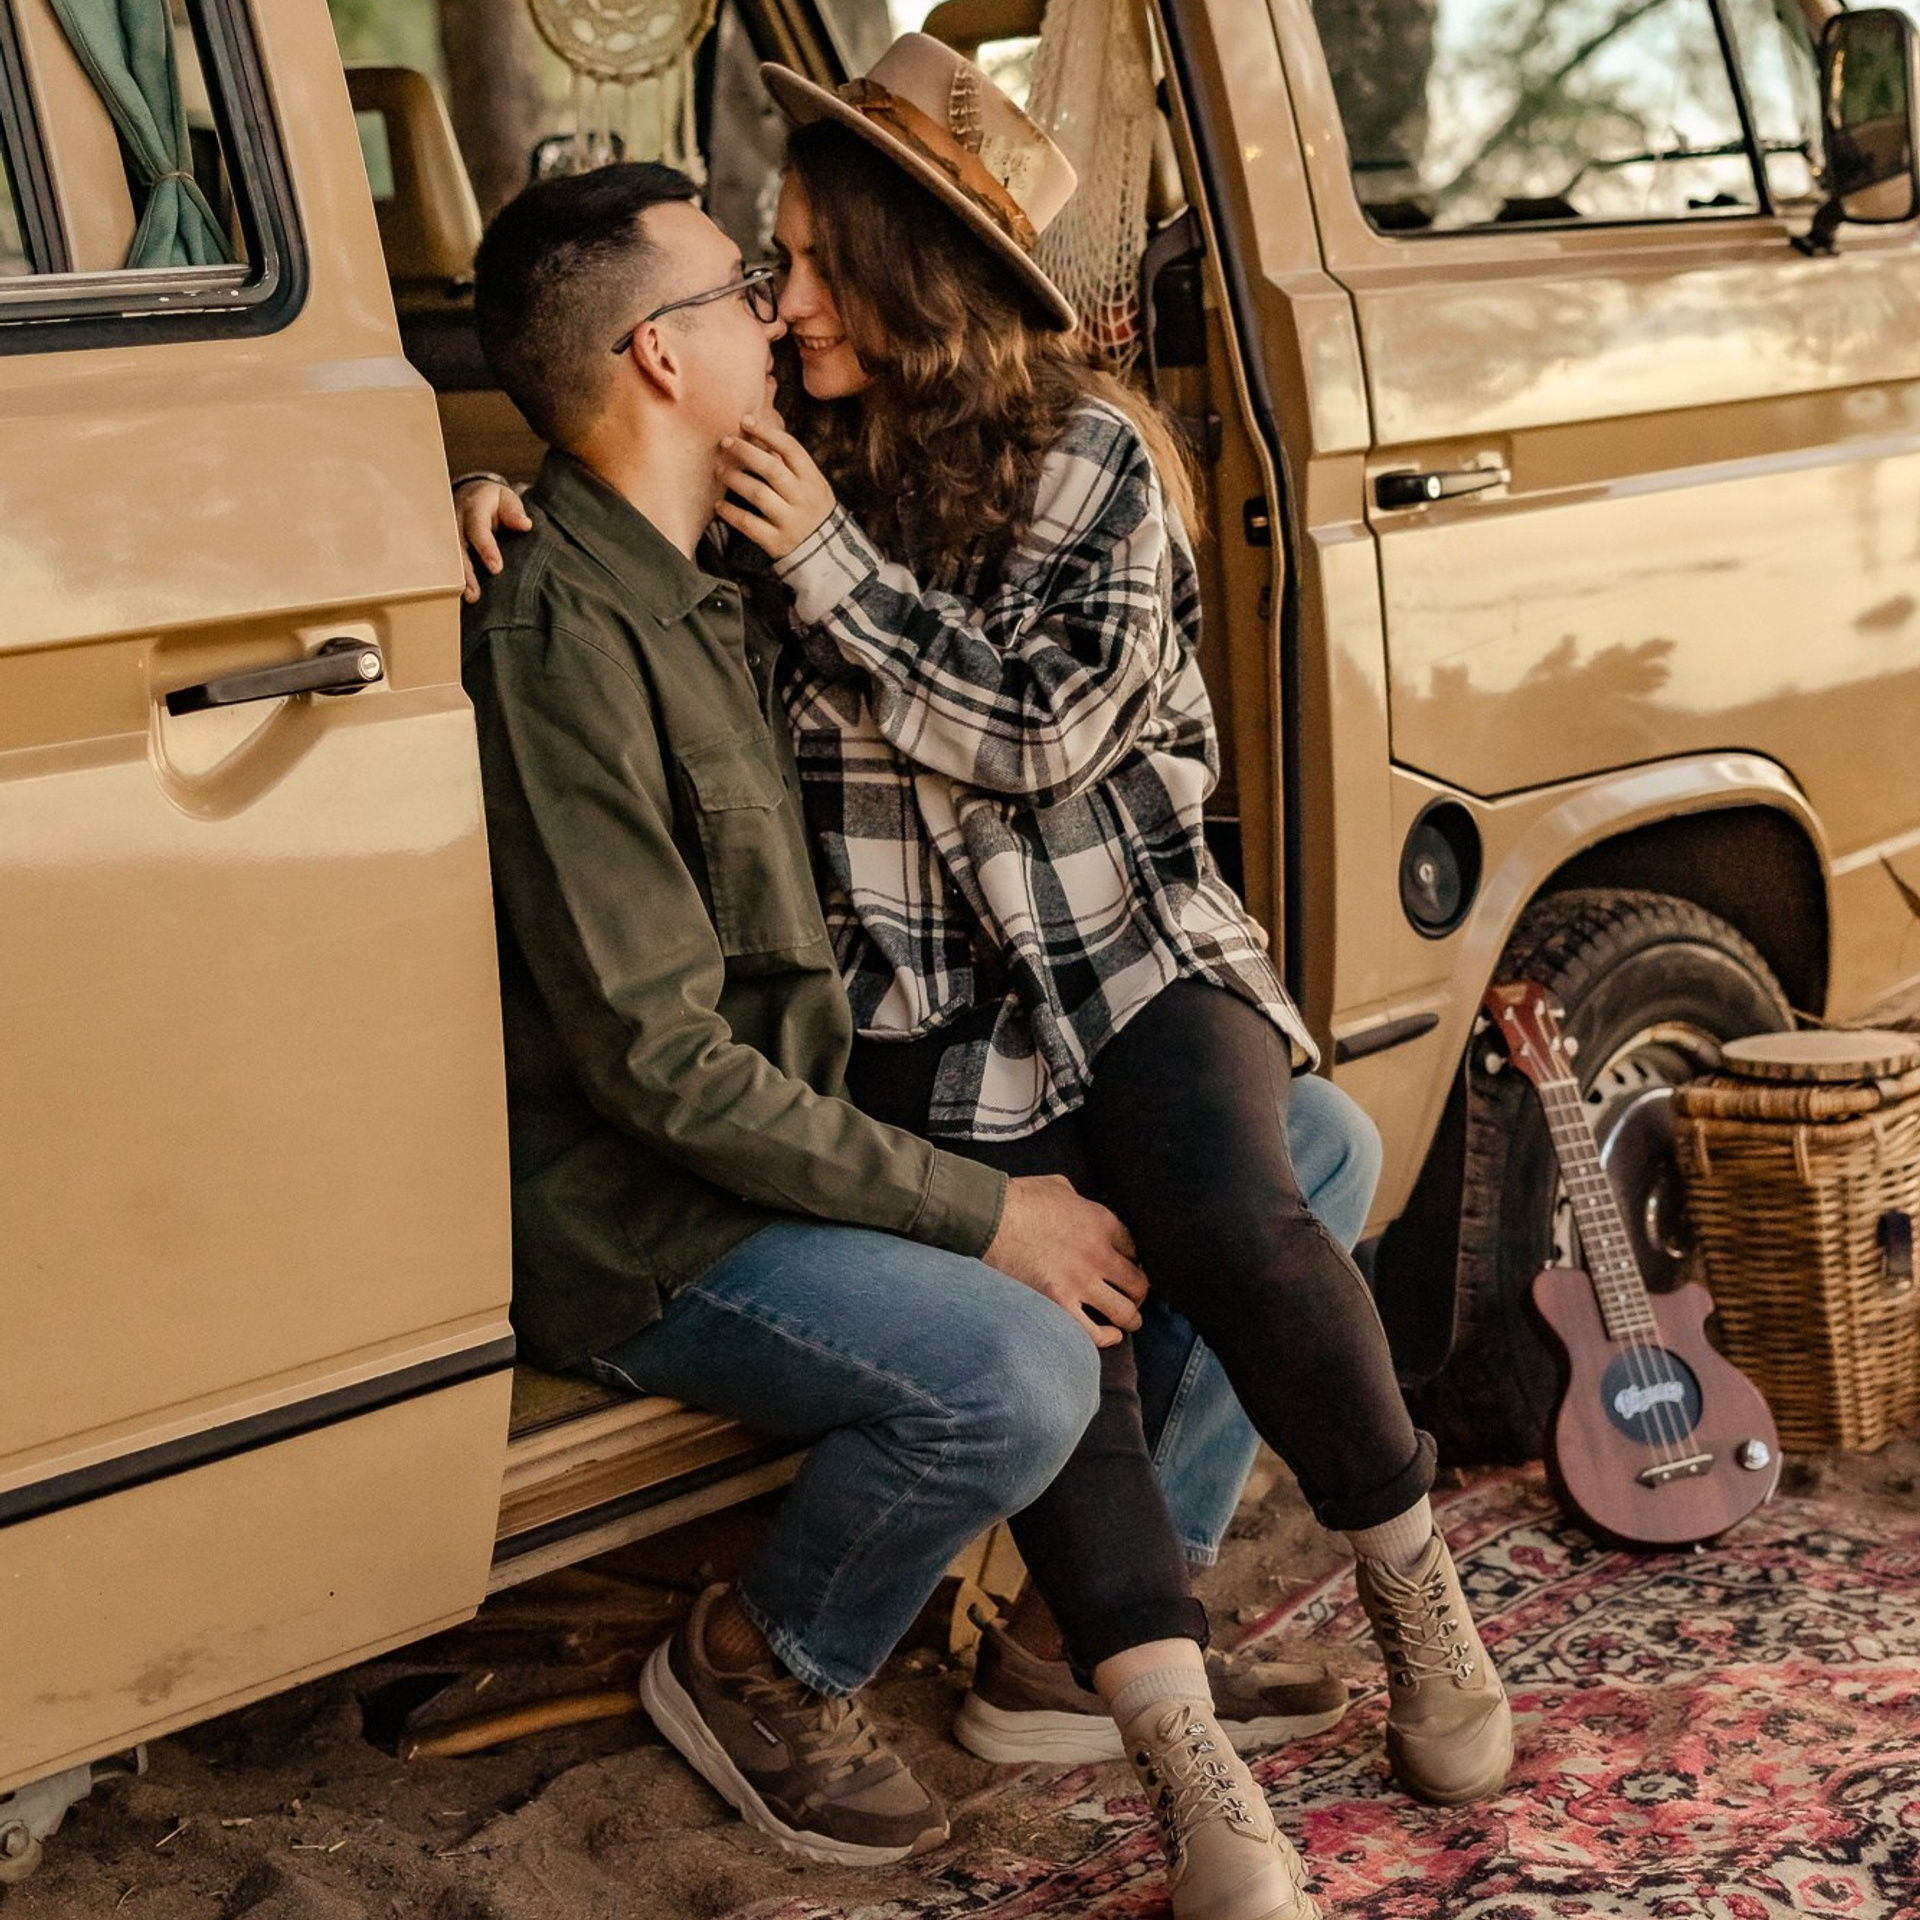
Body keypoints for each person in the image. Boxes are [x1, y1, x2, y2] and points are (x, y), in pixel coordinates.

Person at [458, 42, 1512, 1920]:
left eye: (798, 257)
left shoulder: (1093, 457)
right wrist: (471, 503)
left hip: (1126, 951)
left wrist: (833, 568)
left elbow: (1039, 735)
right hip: (932, 1020)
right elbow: (608, 484)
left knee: (1282, 1183)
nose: (776, 301)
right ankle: (1176, 1752)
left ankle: (1417, 1612)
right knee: (1068, 1307)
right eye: (750, 270)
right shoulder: (767, 477)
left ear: (897, 264)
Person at [461, 157, 1159, 1871]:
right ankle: (767, 1658)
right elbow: (661, 1067)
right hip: (656, 1222)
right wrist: (984, 1213)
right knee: (1016, 1366)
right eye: (734, 292)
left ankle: (1094, 1631)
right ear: (655, 356)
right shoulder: (559, 629)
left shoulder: (719, 560)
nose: (775, 312)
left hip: (789, 1140)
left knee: (1285, 1146)